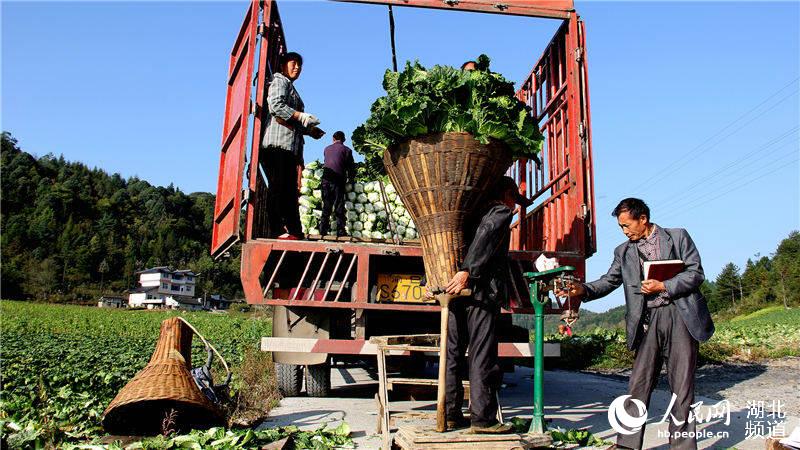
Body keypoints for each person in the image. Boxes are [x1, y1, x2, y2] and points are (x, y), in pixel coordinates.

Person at [559, 198, 714, 450]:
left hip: (680, 317)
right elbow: (609, 281)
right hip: (647, 321)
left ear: (643, 219)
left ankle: (683, 447)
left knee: (682, 388)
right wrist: (583, 290)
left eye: (627, 225)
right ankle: (627, 445)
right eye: (621, 227)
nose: (625, 231)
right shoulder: (623, 251)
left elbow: (695, 273)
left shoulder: (677, 237)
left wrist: (664, 285)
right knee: (637, 386)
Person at [438, 176, 529, 434]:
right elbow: (487, 234)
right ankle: (482, 419)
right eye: (514, 200)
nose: (514, 207)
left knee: (453, 352)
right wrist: (469, 270)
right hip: (479, 291)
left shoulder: (468, 212)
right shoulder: (499, 211)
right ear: (506, 194)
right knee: (481, 354)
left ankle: (451, 414)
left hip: (456, 290)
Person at [261, 51, 325, 239]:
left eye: (299, 65)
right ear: (283, 65)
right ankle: (276, 230)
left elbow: (293, 121)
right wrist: (301, 116)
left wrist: (309, 130)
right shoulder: (279, 80)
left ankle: (294, 231)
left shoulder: (291, 87)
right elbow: (276, 106)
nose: (297, 67)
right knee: (278, 187)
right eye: (293, 63)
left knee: (289, 191)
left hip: (289, 147)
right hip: (277, 144)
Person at [318, 131, 354, 237]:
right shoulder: (347, 150)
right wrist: (351, 179)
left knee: (326, 205)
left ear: (333, 138)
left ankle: (322, 230)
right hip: (337, 180)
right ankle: (340, 231)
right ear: (344, 140)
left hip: (325, 180)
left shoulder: (326, 149)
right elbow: (350, 167)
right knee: (339, 205)